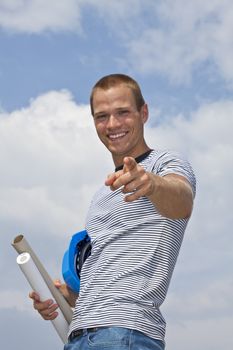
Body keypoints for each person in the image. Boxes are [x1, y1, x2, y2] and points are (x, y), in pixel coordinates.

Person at [30, 74, 196, 350]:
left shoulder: (164, 163)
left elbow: (182, 201)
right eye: (102, 116)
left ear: (144, 112)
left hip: (125, 332)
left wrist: (151, 184)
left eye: (122, 112)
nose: (112, 124)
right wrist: (64, 296)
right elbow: (108, 278)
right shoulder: (102, 194)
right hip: (81, 334)